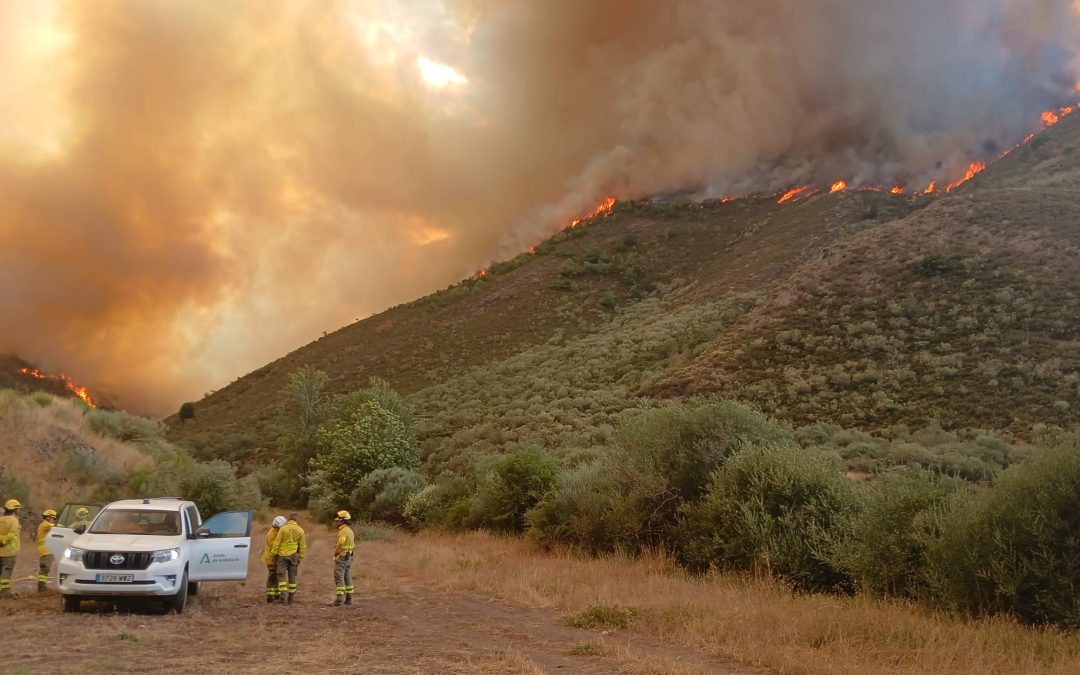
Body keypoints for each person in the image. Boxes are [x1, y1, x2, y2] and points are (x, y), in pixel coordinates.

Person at [270, 512, 306, 605]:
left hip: (282, 555)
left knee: (281, 576)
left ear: (289, 519)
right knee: (292, 577)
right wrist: (300, 557)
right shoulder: (300, 530)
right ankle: (291, 598)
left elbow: (277, 542)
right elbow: (302, 545)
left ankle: (283, 598)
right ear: (296, 520)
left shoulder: (283, 529)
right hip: (294, 555)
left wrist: (273, 555)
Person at [332, 510, 355, 606]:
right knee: (347, 577)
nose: (336, 522)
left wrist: (336, 552)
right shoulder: (350, 530)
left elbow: (341, 542)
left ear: (342, 521)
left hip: (342, 556)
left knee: (339, 577)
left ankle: (339, 599)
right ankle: (349, 598)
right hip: (349, 556)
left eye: (338, 521)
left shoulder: (342, 531)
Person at [261, 516, 286, 604]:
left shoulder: (279, 532)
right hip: (271, 558)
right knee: (272, 577)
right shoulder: (271, 534)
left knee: (276, 576)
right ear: (275, 526)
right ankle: (270, 596)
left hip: (276, 557)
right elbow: (274, 547)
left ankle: (276, 594)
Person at [0, 498, 22, 598]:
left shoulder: (1, 519)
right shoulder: (14, 520)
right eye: (18, 509)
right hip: (9, 551)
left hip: (0, 551)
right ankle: (4, 592)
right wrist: (3, 543)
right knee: (6, 572)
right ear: (15, 509)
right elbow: (11, 535)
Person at [38, 508, 58, 593]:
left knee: (45, 569)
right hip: (46, 551)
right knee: (45, 569)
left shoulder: (45, 525)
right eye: (53, 518)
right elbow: (55, 527)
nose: (53, 520)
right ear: (49, 517)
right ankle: (42, 588)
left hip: (46, 550)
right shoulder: (45, 525)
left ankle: (42, 587)